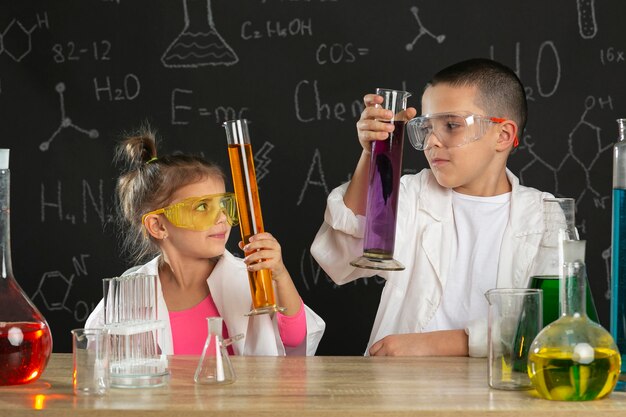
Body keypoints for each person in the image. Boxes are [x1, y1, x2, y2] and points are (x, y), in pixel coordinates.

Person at [310, 58, 553, 357]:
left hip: (498, 392)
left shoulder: (544, 215)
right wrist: (371, 153)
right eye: (426, 128)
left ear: (502, 136)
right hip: (402, 391)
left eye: (451, 125)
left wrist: (433, 344)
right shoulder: (412, 195)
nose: (432, 142)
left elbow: (551, 326)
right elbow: (339, 257)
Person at [87, 128, 325, 356]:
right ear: (158, 226)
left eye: (223, 205)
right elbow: (98, 359)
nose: (222, 218)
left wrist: (281, 275)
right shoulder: (128, 294)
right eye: (202, 207)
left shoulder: (251, 279)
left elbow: (296, 340)